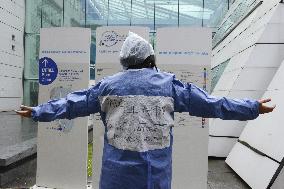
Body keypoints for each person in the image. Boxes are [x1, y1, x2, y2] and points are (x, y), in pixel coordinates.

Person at [16, 32, 275, 189]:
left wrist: (39, 111)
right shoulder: (169, 85)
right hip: (154, 177)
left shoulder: (106, 86)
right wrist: (253, 107)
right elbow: (213, 104)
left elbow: (72, 103)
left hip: (116, 177)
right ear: (150, 57)